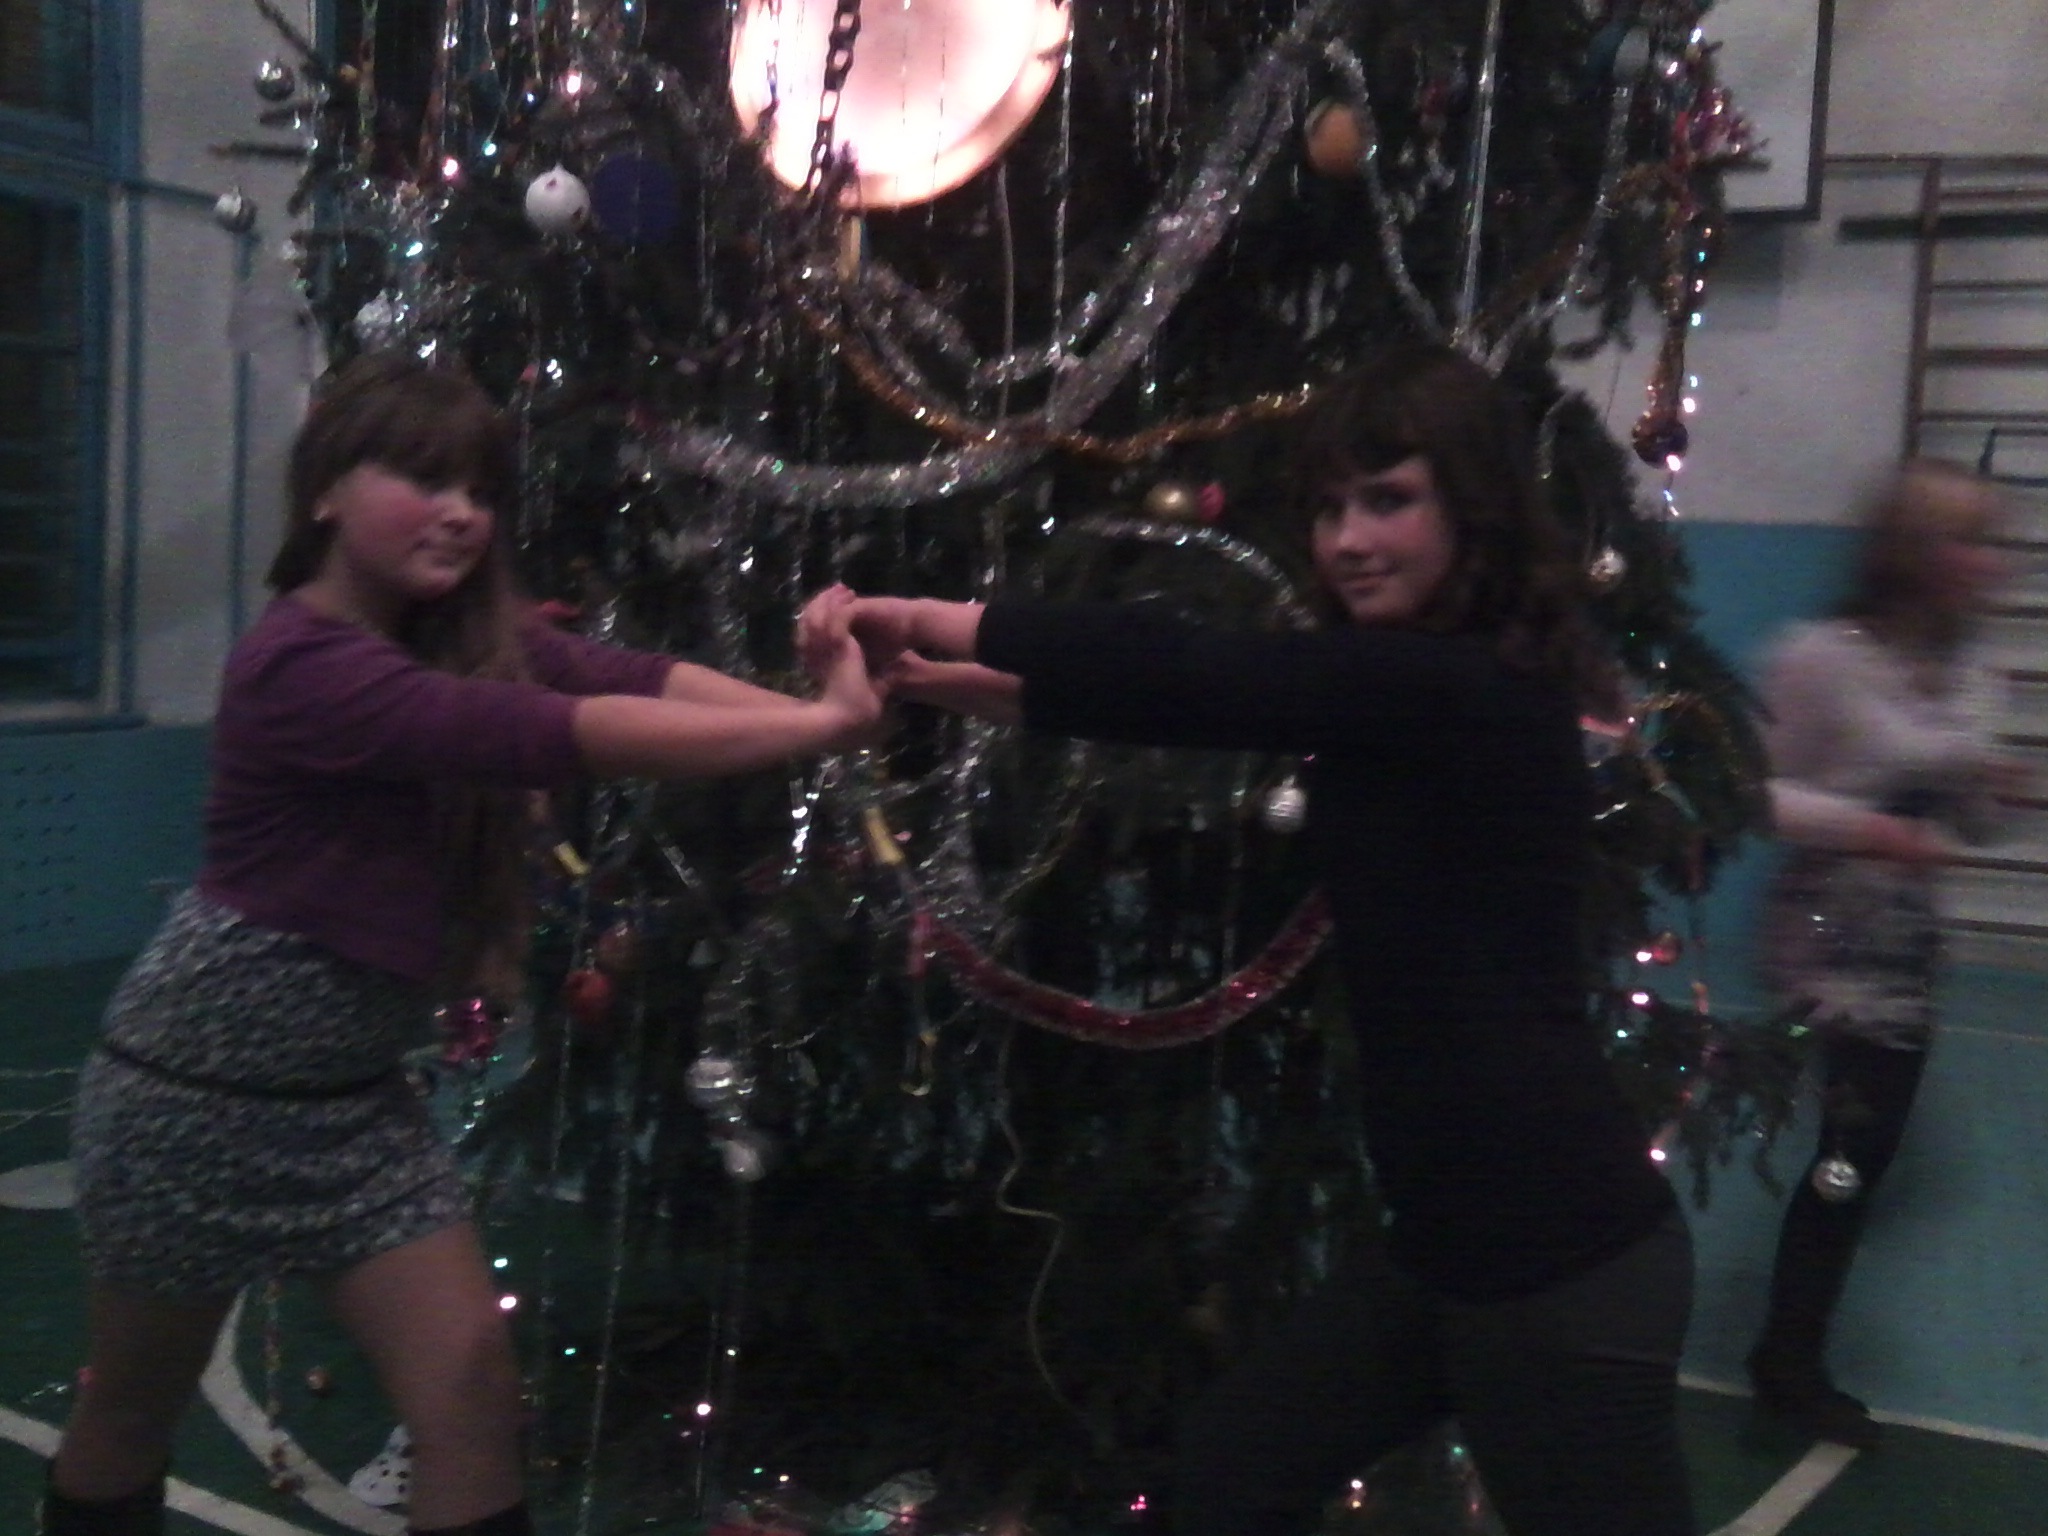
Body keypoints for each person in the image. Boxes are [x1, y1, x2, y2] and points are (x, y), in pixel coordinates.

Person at [801, 342, 1697, 1536]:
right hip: (1448, 1247)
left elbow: (1200, 672)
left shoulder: (1465, 683)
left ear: (1472, 511)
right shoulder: (1412, 687)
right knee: (1234, 1471)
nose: (1347, 540)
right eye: (1328, 508)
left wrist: (926, 617)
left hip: (1556, 1263)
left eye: (1388, 499)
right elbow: (1202, 702)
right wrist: (956, 684)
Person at [45, 354, 883, 1536]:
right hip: (189, 1106)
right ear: (325, 489)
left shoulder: (458, 637)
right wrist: (817, 726)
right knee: (132, 1410)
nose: (460, 513)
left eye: (480, 491)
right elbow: (558, 731)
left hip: (348, 1110)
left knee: (470, 1391)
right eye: (423, 479)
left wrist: (814, 716)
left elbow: (627, 675)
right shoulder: (301, 663)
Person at [1747, 457, 2017, 1448]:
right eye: (1966, 540)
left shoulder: (1973, 674)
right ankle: (1785, 1362)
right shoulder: (1823, 657)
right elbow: (1757, 795)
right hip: (1822, 946)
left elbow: (1973, 823)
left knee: (1856, 1162)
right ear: (1912, 551)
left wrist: (1993, 792)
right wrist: (1869, 830)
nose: (1987, 563)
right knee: (1846, 1161)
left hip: (1905, 952)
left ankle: (1788, 1354)